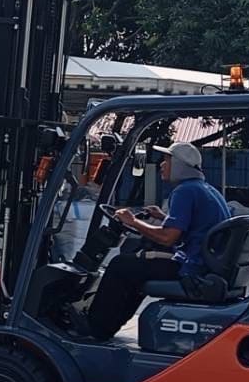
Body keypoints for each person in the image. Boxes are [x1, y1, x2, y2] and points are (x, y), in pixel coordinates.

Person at [82, 141, 232, 340]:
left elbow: (168, 238)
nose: (162, 165)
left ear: (180, 165)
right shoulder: (206, 189)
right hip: (202, 264)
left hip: (190, 270)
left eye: (167, 160)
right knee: (136, 268)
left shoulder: (184, 191)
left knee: (120, 265)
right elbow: (194, 227)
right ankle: (108, 326)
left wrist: (133, 221)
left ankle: (95, 328)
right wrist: (162, 217)